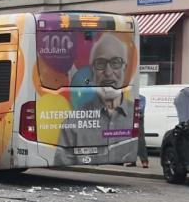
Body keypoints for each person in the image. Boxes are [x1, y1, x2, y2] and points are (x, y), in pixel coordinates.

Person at [57, 33, 135, 164]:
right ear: (92, 71)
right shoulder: (73, 122)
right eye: (100, 64)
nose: (108, 72)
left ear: (125, 69)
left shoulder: (134, 116)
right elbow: (61, 162)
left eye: (115, 63)